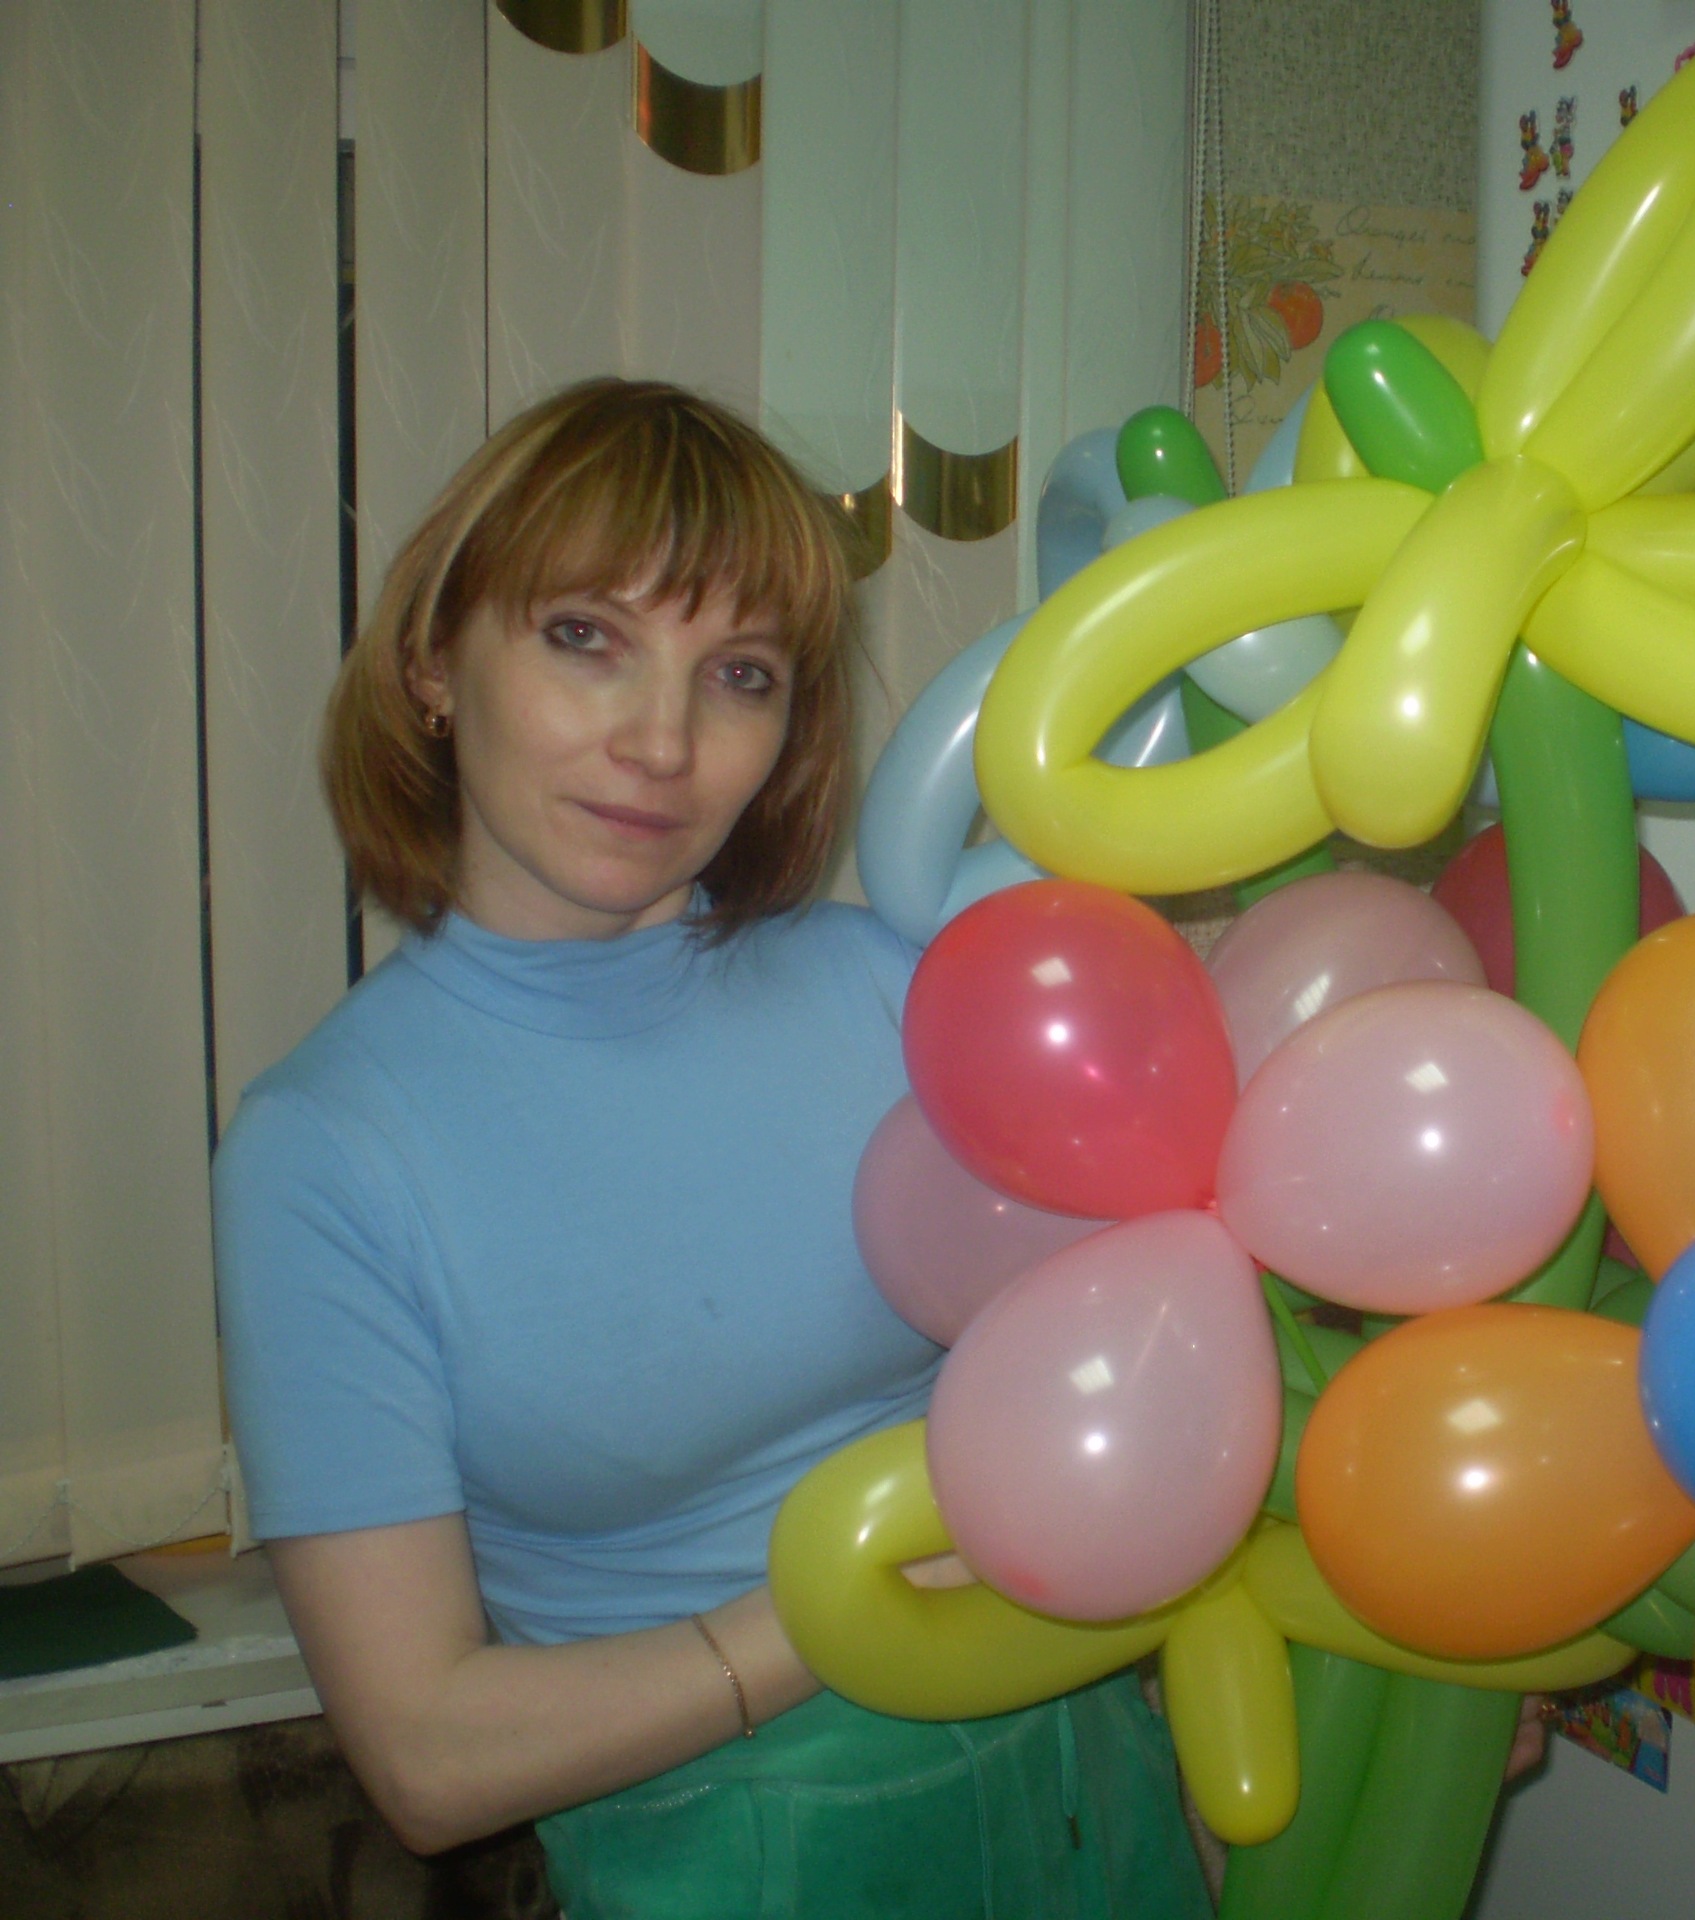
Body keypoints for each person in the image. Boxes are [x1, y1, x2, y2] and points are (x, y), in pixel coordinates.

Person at [213, 379, 1212, 1918]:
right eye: (586, 638)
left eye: (738, 674)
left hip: (1097, 1787)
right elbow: (427, 1756)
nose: (663, 742)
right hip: (750, 1851)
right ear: (431, 663)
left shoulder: (899, 986)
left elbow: (1168, 1334)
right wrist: (854, 1602)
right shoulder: (323, 1155)